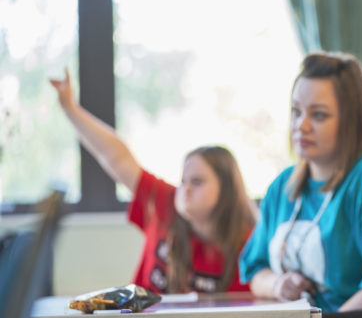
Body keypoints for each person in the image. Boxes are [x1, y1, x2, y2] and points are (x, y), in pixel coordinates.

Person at [50, 69, 256, 294]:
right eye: (183, 180)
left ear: (226, 189)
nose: (185, 190)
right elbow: (116, 158)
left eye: (197, 182)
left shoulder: (248, 242)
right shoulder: (165, 201)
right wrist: (70, 108)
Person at [239, 52, 362, 313]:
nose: (300, 126)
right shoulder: (283, 185)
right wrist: (279, 284)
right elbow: (256, 274)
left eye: (318, 115)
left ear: (351, 120)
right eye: (296, 111)